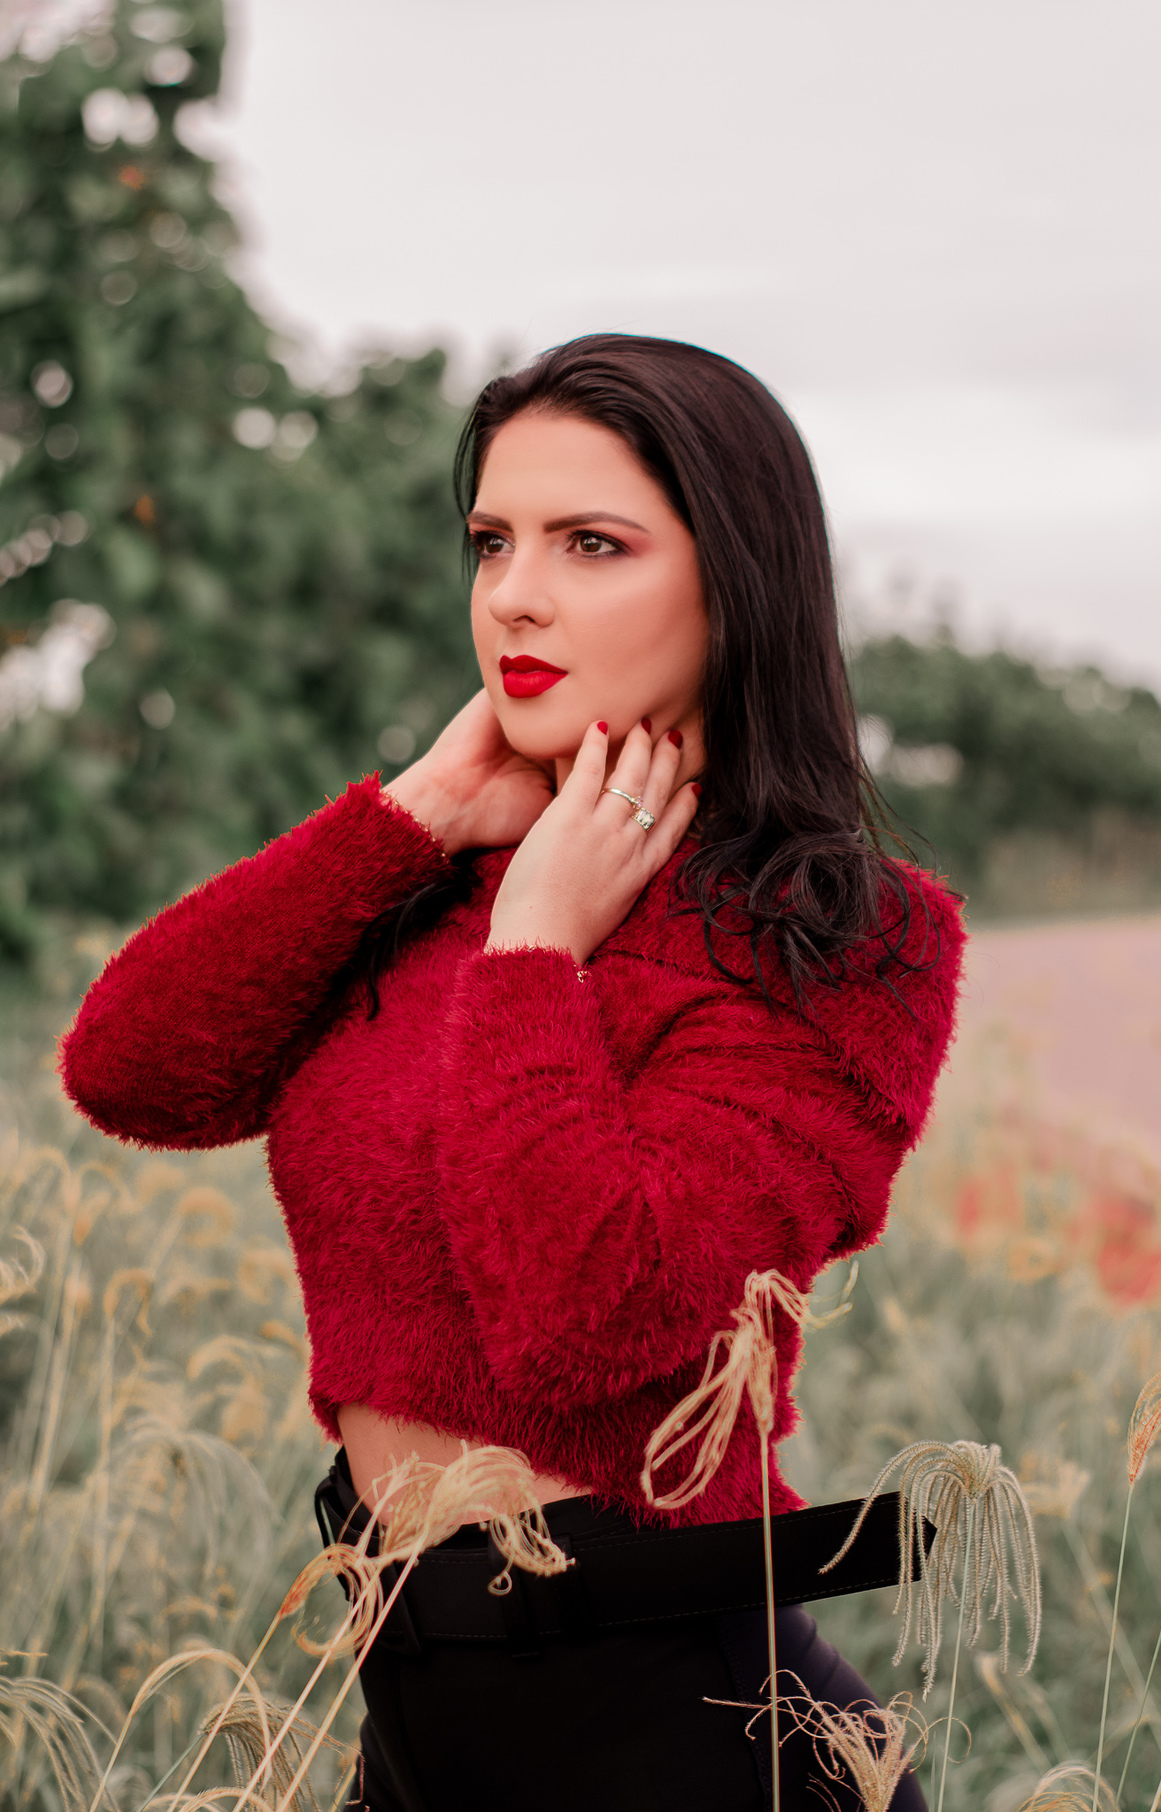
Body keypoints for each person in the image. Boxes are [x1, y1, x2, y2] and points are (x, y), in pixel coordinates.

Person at [60, 333, 965, 1811]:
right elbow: (131, 1070)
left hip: (681, 1735)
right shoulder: (436, 873)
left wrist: (538, 944)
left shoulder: (842, 935)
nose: (514, 596)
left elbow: (592, 1316)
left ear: (734, 580)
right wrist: (417, 811)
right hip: (415, 1731)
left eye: (590, 543)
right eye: (492, 541)